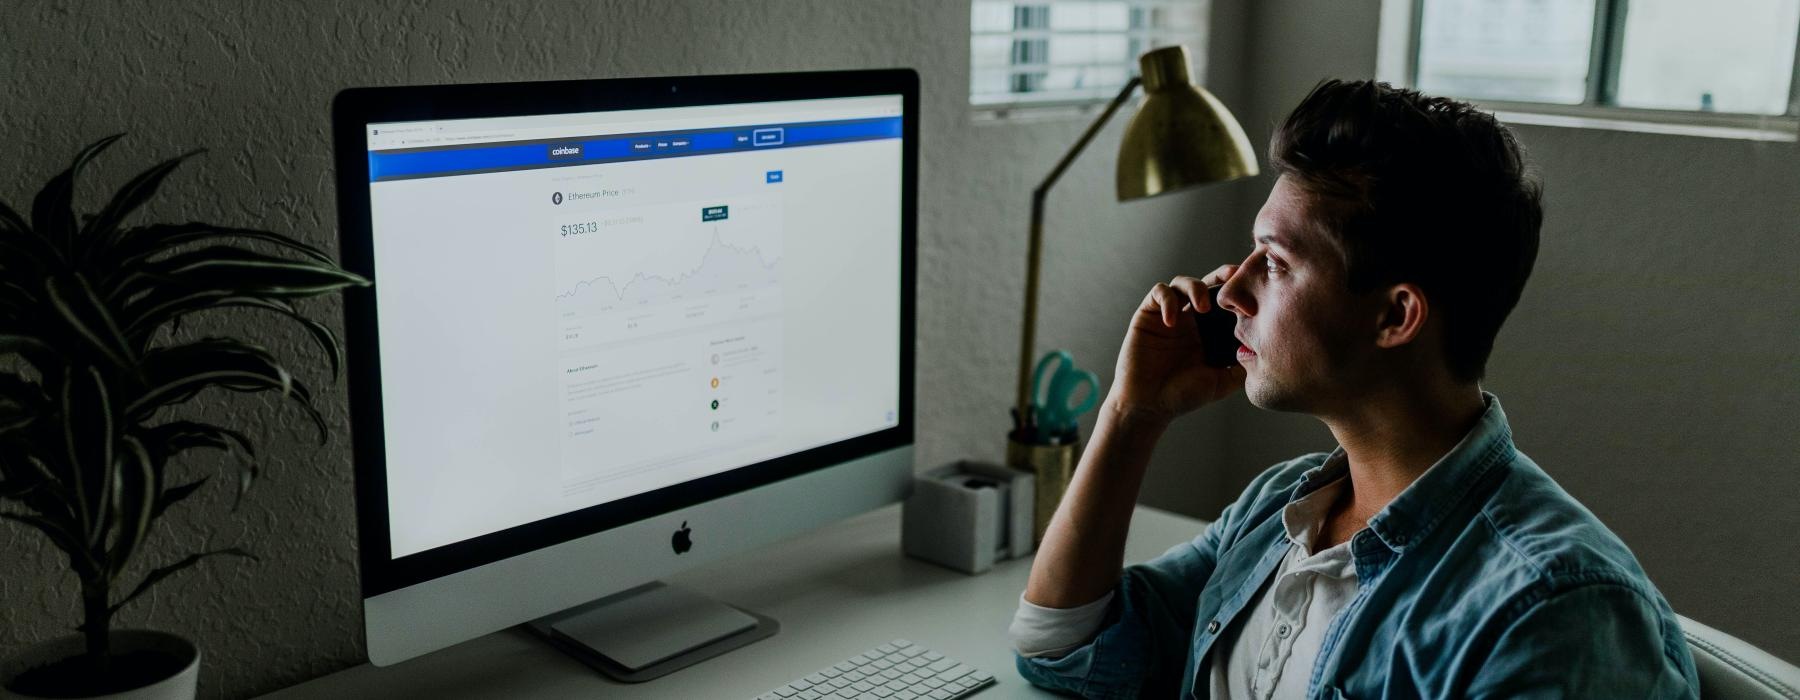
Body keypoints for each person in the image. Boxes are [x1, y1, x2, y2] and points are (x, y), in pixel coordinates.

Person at [1010, 79, 1700, 699]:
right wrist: (1133, 414)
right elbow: (1062, 649)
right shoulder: (1280, 511)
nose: (1232, 290)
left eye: (1275, 263)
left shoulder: (1555, 613)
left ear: (1395, 316)